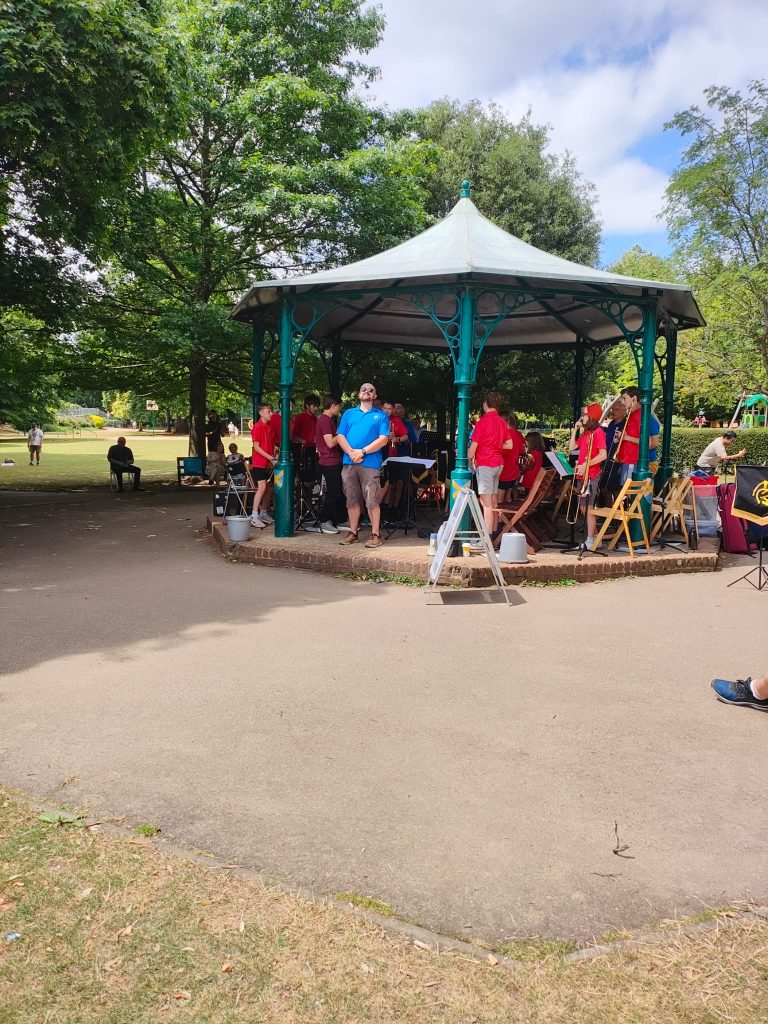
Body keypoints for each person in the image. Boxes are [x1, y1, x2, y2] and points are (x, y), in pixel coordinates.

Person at [336, 382, 390, 548]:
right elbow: (340, 436)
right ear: (359, 393)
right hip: (349, 463)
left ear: (374, 396)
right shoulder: (348, 413)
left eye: (370, 390)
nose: (366, 391)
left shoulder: (381, 416)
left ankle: (375, 534)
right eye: (363, 389)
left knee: (372, 500)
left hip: (370, 464)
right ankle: (353, 532)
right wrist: (351, 452)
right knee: (351, 499)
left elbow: (383, 439)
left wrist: (363, 452)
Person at [467, 390, 511, 535]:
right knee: (493, 501)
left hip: (486, 463)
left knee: (486, 504)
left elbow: (471, 451)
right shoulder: (502, 422)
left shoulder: (482, 422)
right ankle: (493, 532)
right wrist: (495, 445)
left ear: (486, 404)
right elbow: (509, 445)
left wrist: (467, 456)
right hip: (498, 464)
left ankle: (486, 538)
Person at [570, 403, 608, 550]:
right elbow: (572, 447)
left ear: (591, 417)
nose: (582, 417)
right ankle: (595, 536)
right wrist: (575, 430)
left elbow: (603, 455)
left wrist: (587, 465)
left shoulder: (598, 432)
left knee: (589, 507)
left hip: (592, 475)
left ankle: (591, 539)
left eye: (585, 414)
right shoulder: (586, 433)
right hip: (582, 475)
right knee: (583, 507)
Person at [314, 393, 346, 534]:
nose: (339, 409)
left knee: (339, 492)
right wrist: (341, 433)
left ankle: (339, 520)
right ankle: (324, 520)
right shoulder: (325, 421)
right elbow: (330, 443)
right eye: (339, 406)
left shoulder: (326, 420)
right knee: (334, 492)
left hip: (333, 460)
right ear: (333, 405)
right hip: (329, 462)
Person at [249, 404, 277, 528]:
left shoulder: (269, 427)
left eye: (271, 411)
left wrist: (273, 456)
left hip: (268, 463)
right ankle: (254, 516)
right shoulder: (257, 427)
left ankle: (264, 513)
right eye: (268, 411)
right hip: (260, 463)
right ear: (261, 412)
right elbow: (256, 447)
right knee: (262, 487)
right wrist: (270, 458)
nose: (271, 413)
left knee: (269, 487)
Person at [497, 413, 526, 505]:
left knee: (499, 499)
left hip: (504, 471)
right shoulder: (518, 434)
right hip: (513, 471)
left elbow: (503, 451)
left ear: (507, 422)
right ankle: (508, 513)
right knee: (508, 496)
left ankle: (500, 515)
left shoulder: (506, 434)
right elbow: (522, 450)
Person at [616, 386, 641, 483]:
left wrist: (626, 437)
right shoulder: (632, 414)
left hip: (632, 461)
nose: (622, 402)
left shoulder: (639, 415)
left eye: (624, 398)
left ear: (634, 398)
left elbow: (648, 442)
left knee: (627, 489)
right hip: (626, 460)